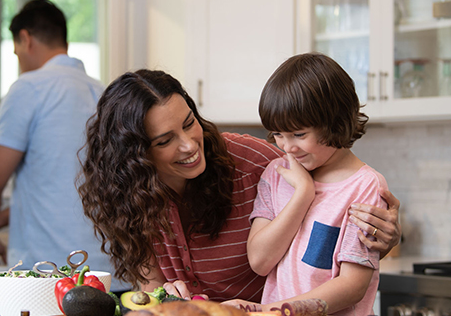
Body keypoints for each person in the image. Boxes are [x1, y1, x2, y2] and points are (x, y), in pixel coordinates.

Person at [78, 68, 401, 301]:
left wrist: (382, 237)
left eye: (190, 123)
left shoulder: (258, 164)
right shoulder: (127, 196)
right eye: (165, 141)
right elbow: (152, 285)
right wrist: (164, 296)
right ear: (135, 157)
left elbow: (329, 194)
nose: (190, 145)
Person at [223, 52, 388, 316]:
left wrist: (272, 311)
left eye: (299, 134)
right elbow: (260, 261)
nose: (287, 147)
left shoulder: (366, 187)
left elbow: (352, 286)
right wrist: (302, 194)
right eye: (278, 134)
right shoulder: (276, 174)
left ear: (335, 122)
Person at [0, 0, 122, 289]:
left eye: (16, 52)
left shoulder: (29, 88)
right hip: (110, 276)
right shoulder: (105, 94)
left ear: (26, 39)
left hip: (49, 282)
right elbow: (68, 192)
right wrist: (0, 220)